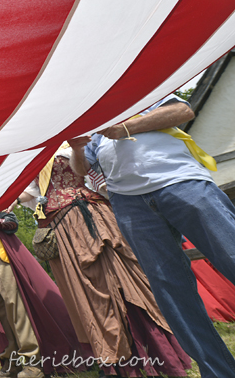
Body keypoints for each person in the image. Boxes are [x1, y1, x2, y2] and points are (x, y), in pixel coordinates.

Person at [70, 93, 235, 378]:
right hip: (129, 204)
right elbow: (80, 170)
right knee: (171, 292)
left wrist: (124, 128)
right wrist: (75, 148)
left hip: (182, 181)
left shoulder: (144, 92)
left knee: (231, 254)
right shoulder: (94, 131)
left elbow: (183, 111)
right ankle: (219, 372)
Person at [18, 144, 190, 377]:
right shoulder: (33, 157)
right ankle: (115, 361)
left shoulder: (73, 144)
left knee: (118, 282)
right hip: (61, 229)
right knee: (86, 293)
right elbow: (28, 194)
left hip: (90, 217)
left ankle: (156, 352)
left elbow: (92, 173)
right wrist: (2, 192)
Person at [0, 211, 87, 378]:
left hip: (1, 260)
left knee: (14, 307)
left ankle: (33, 362)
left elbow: (11, 223)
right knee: (0, 313)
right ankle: (12, 361)